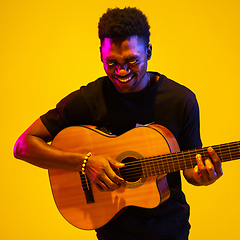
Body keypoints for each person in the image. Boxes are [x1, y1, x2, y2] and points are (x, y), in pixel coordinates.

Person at [14, 7, 223, 240]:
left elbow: (191, 169)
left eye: (132, 61)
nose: (121, 71)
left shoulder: (180, 100)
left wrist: (204, 176)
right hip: (113, 232)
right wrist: (85, 163)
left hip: (170, 229)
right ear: (101, 55)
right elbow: (24, 146)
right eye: (111, 62)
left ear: (149, 51)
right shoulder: (89, 99)